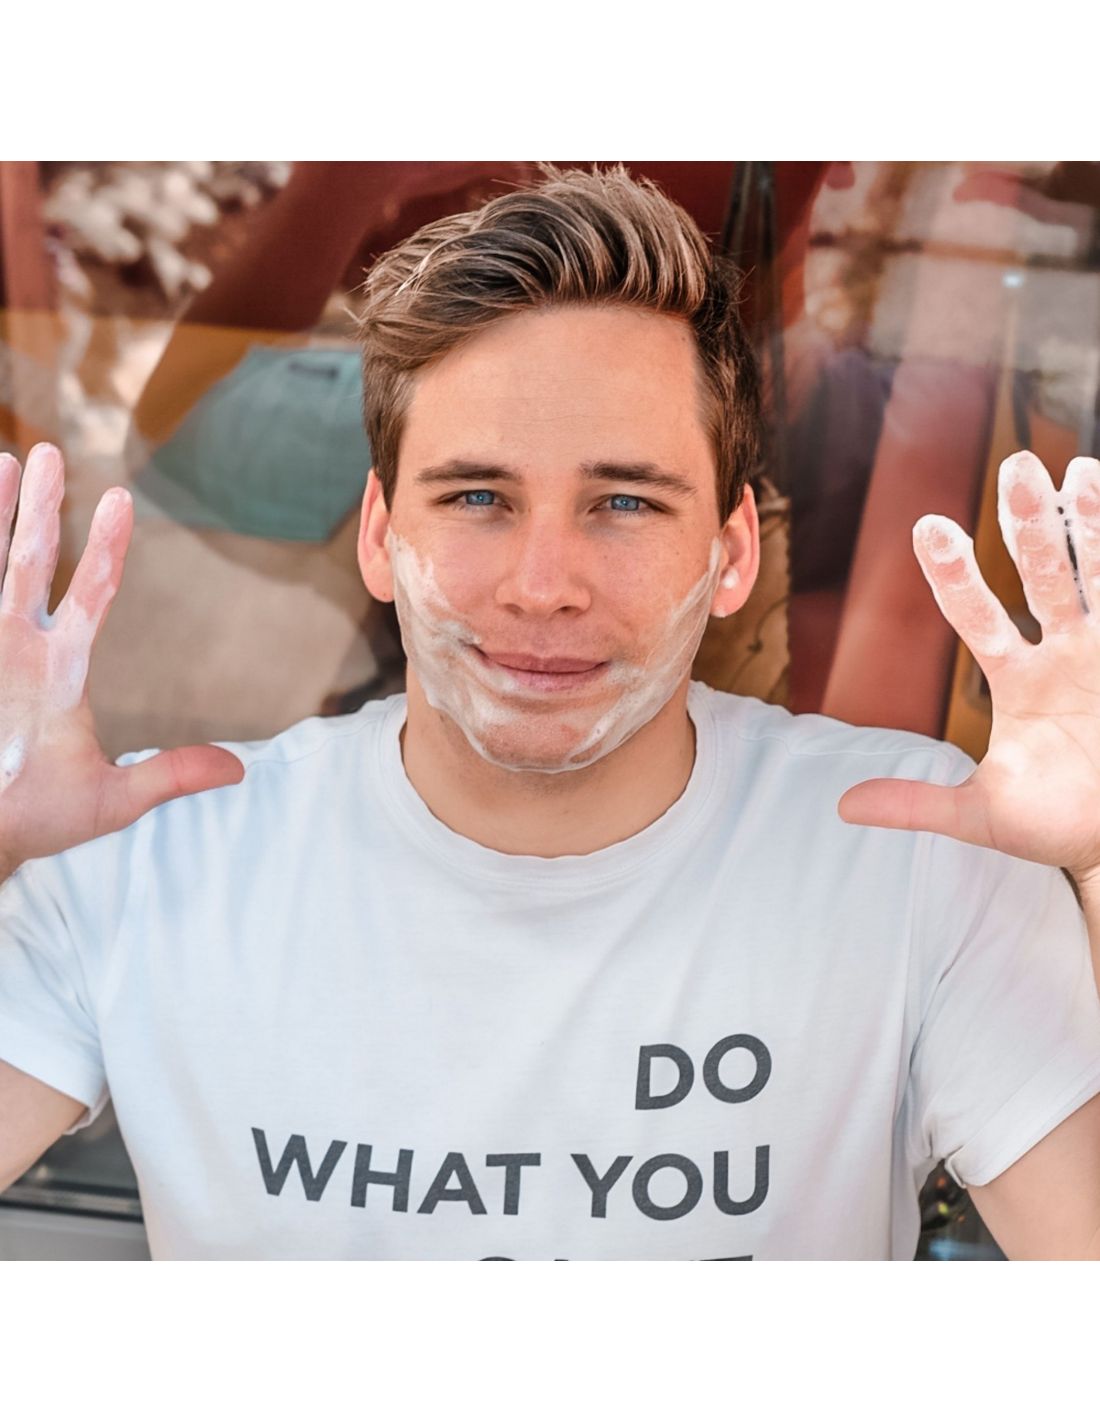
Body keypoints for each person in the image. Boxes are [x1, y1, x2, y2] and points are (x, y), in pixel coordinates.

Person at [1, 165, 1099, 1261]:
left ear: (729, 556)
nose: (542, 584)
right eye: (477, 496)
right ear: (378, 536)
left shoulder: (914, 862)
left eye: (621, 502)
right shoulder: (140, 865)